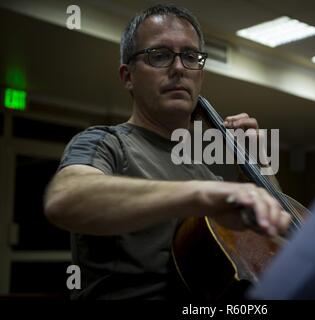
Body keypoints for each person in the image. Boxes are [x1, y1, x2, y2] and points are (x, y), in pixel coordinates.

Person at [44, 4, 290, 300]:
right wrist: (200, 195)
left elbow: (276, 244)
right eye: (159, 55)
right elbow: (65, 198)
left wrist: (260, 165)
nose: (178, 68)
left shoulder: (206, 174)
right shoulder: (105, 143)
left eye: (190, 56)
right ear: (127, 76)